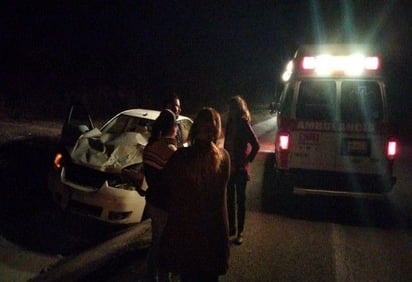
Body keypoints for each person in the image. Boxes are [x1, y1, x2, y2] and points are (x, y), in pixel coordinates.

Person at [159, 107, 231, 282]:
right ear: (217, 130)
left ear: (195, 129)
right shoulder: (224, 158)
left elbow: (164, 189)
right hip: (214, 236)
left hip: (187, 236)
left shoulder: (181, 157)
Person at [143, 109, 178, 282]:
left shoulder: (150, 147)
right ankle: (164, 278)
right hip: (166, 206)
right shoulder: (171, 151)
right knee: (166, 245)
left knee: (156, 241)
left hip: (153, 202)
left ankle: (151, 275)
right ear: (173, 127)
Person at [224, 95, 260, 245]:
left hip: (240, 169)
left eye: (232, 108)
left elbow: (256, 144)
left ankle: (240, 232)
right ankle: (231, 228)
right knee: (229, 200)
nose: (229, 111)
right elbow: (228, 144)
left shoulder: (243, 123)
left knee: (240, 201)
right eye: (229, 108)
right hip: (230, 168)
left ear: (237, 109)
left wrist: (246, 161)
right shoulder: (230, 123)